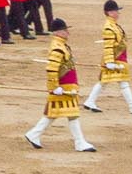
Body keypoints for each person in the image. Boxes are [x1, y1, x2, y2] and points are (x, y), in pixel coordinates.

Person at [24, 18, 96, 152]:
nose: (68, 33)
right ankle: (79, 142)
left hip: (66, 86)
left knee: (53, 113)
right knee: (72, 114)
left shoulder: (61, 46)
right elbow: (52, 69)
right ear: (59, 32)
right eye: (65, 30)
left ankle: (34, 134)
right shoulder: (58, 48)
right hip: (64, 86)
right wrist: (54, 87)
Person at [81, 0, 132, 114]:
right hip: (115, 58)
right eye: (116, 11)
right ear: (110, 12)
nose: (118, 13)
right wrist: (110, 62)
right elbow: (108, 46)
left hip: (117, 57)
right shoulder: (109, 27)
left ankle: (90, 101)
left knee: (103, 82)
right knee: (123, 83)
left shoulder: (113, 25)